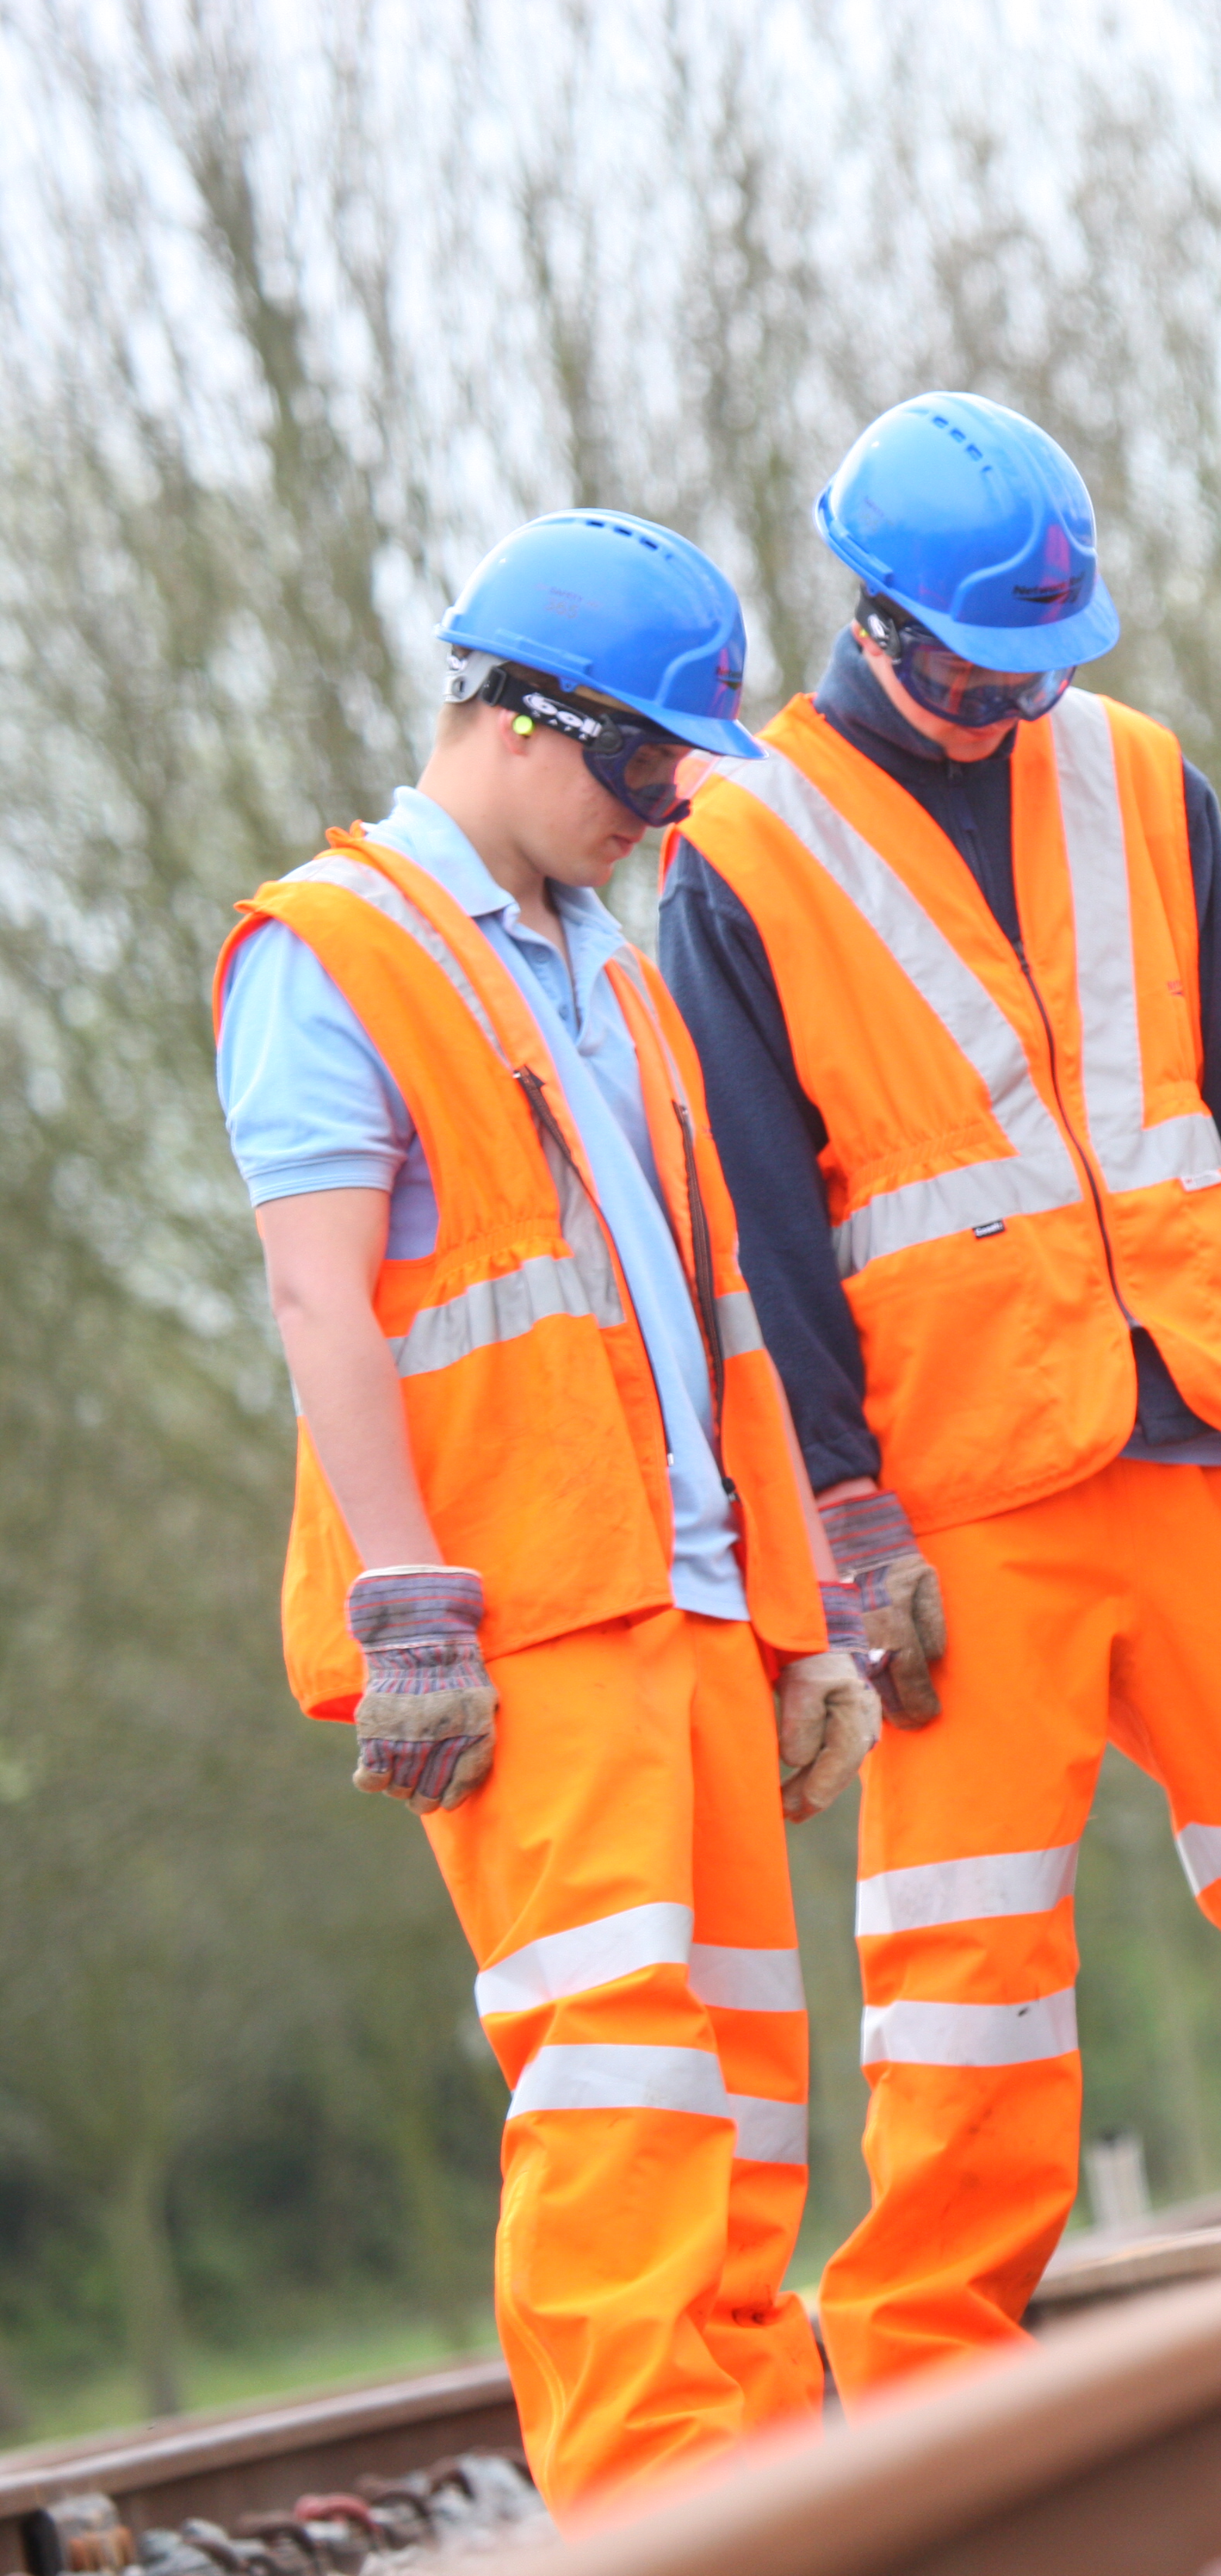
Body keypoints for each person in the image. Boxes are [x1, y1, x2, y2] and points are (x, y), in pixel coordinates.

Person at [664, 392, 1221, 2395]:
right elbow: (755, 1236)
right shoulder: (740, 849)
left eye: (1045, 662)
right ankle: (924, 2388)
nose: (1014, 701)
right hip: (961, 1502)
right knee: (963, 1979)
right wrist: (837, 1512)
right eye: (982, 666)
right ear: (875, 621)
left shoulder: (1135, 771)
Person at [214, 513, 876, 2513]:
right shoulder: (331, 958)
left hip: (684, 1610)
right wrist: (412, 1599)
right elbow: (320, 1294)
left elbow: (705, 1312)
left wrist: (797, 1617)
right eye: (647, 765)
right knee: (619, 2101)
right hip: (525, 1636)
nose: (670, 804)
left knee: (750, 2104)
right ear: (514, 722)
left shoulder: (612, 955)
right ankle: (659, 2531)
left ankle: (790, 2519)